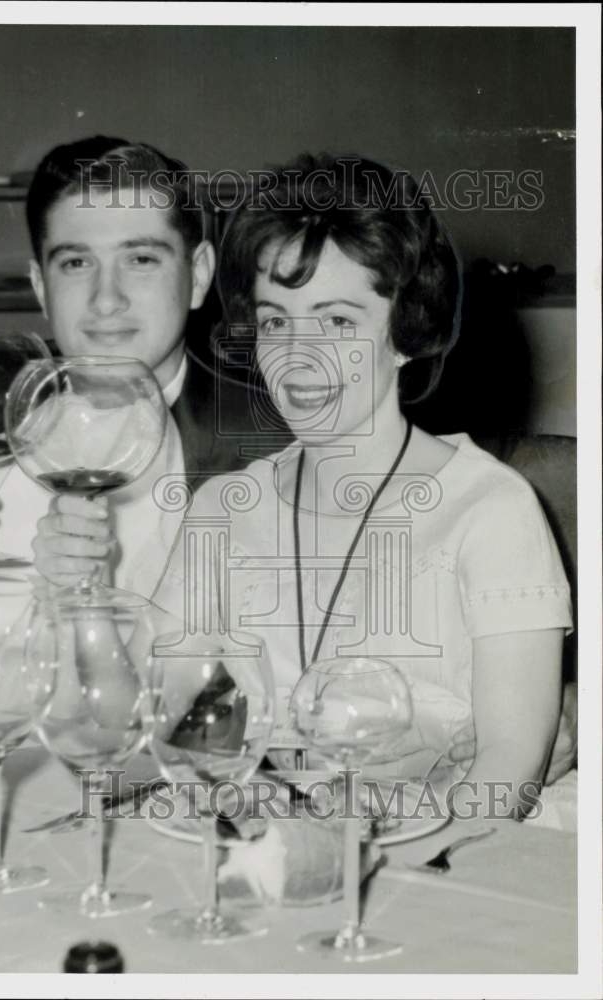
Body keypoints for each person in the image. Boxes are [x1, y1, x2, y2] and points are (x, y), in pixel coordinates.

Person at [148, 153, 573, 819]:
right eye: (276, 320)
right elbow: (179, 710)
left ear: (405, 334)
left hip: (437, 863)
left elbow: (507, 773)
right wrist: (265, 814)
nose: (299, 355)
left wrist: (375, 860)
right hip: (256, 844)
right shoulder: (221, 511)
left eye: (339, 321)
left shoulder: (490, 510)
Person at [0, 135, 291, 715]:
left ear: (197, 275)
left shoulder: (270, 441)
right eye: (76, 263)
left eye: (140, 259)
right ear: (41, 285)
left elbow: (266, 698)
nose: (105, 299)